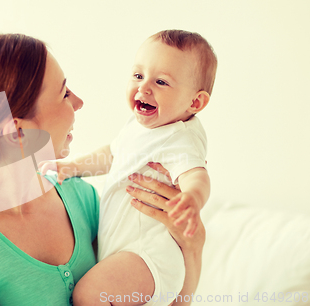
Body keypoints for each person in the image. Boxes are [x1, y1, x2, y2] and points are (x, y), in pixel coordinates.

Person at [0, 33, 205, 306]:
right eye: (64, 94)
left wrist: (191, 249)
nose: (79, 102)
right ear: (16, 132)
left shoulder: (79, 197)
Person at [42, 30, 217, 305]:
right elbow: (112, 154)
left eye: (161, 82)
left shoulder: (180, 137)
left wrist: (192, 199)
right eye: (138, 76)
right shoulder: (138, 128)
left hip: (149, 257)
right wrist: (74, 166)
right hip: (127, 253)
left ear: (195, 102)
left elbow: (196, 174)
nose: (144, 88)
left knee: (89, 294)